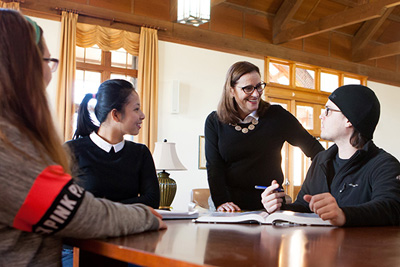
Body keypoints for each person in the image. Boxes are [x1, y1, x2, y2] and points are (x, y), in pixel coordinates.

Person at [0, 10, 166, 266]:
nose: (50, 73)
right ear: (22, 66)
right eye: (48, 61)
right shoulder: (9, 149)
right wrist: (146, 216)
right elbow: (80, 213)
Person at [261, 84, 400, 226]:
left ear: (349, 120)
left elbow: (391, 208)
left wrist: (343, 214)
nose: (321, 116)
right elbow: (304, 206)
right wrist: (280, 207)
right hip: (320, 246)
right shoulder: (321, 160)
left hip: (361, 247)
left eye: (328, 111)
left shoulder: (384, 165)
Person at [205, 61, 324, 212]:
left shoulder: (277, 116)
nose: (256, 94)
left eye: (259, 86)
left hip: (270, 204)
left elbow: (316, 151)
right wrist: (221, 201)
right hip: (228, 205)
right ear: (231, 91)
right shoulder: (214, 121)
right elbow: (214, 167)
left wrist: (307, 192)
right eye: (248, 88)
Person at [65, 79, 160, 208]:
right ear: (115, 114)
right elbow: (65, 204)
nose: (142, 115)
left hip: (131, 228)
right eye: (136, 109)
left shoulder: (141, 153)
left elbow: (152, 200)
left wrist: (100, 208)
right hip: (88, 228)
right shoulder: (71, 150)